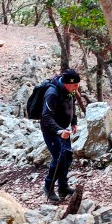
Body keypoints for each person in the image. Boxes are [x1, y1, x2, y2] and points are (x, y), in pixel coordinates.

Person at [40, 68, 80, 203]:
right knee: (59, 158)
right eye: (75, 85)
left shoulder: (70, 91)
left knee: (67, 156)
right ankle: (48, 187)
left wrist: (74, 122)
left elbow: (72, 107)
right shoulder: (52, 93)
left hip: (64, 129)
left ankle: (63, 187)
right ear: (67, 84)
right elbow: (46, 116)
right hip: (51, 130)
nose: (77, 87)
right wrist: (58, 131)